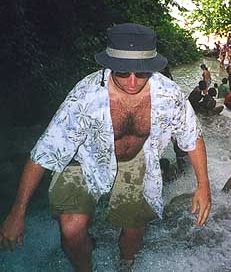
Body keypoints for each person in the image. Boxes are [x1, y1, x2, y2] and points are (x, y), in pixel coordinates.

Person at [0, 23, 211, 271]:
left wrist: (203, 185)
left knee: (134, 230)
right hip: (85, 157)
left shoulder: (169, 94)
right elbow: (44, 150)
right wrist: (18, 210)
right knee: (71, 228)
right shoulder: (85, 96)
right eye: (122, 72)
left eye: (142, 73)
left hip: (137, 158)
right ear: (109, 65)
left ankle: (126, 262)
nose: (132, 82)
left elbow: (191, 135)